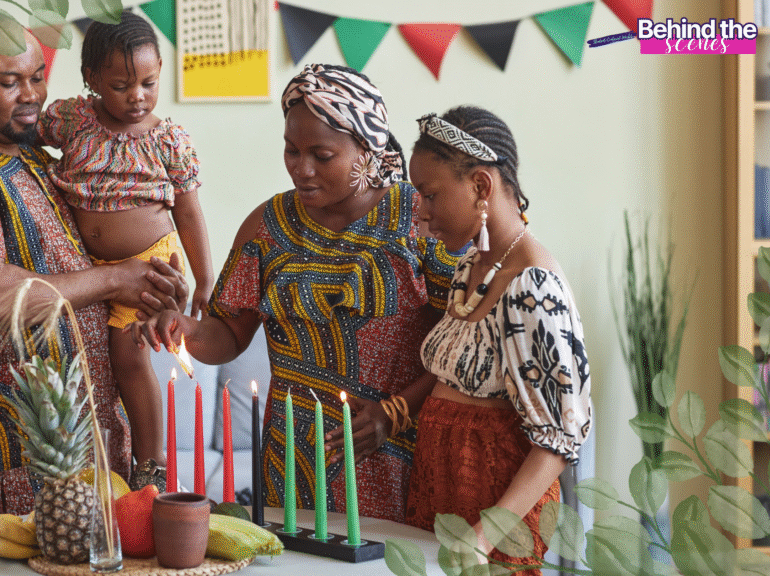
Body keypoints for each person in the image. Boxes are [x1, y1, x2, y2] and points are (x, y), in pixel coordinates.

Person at [131, 64, 462, 523]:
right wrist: (183, 328)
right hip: (292, 461)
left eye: (321, 155)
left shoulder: (418, 219)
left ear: (367, 149)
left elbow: (464, 337)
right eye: (291, 150)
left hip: (395, 451)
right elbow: (229, 332)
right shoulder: (266, 227)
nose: (301, 169)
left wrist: (396, 412)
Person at [0, 16, 188, 515]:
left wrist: (156, 274)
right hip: (34, 441)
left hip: (99, 425)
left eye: (37, 76)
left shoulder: (39, 154)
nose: (32, 94)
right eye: (10, 82)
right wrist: (118, 279)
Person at [404, 105, 592, 574]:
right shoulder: (472, 268)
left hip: (494, 514)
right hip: (438, 489)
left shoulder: (533, 286)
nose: (422, 214)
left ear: (481, 187)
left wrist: (487, 533)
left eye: (430, 195)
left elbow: (558, 439)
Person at [36, 10, 213, 490]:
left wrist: (205, 278)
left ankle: (151, 461)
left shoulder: (167, 138)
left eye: (149, 82)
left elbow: (190, 212)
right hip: (88, 268)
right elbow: (27, 141)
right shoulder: (72, 119)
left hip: (151, 264)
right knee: (92, 366)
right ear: (92, 79)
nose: (138, 96)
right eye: (121, 85)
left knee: (129, 358)